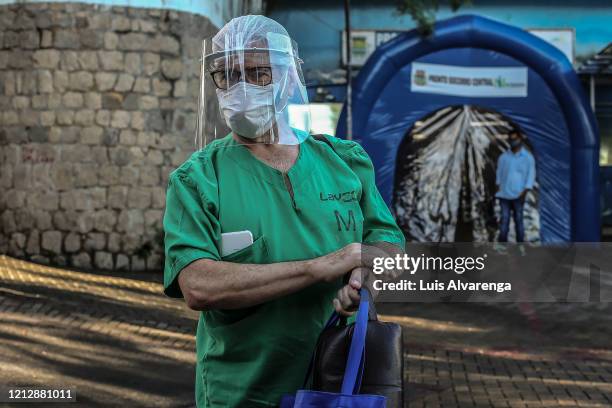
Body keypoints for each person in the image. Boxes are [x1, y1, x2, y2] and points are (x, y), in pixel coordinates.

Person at [162, 15, 405, 408]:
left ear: (290, 78)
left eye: (258, 73)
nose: (240, 88)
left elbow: (388, 244)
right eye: (227, 75)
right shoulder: (197, 179)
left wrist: (366, 278)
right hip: (242, 392)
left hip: (339, 385)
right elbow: (199, 285)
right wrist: (319, 266)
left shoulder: (344, 161)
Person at [495, 130, 536, 242]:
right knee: (504, 220)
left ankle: (520, 245)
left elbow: (530, 176)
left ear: (520, 140)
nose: (513, 142)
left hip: (518, 195)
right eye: (511, 139)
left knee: (519, 220)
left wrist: (524, 192)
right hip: (504, 195)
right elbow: (499, 174)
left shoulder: (527, 158)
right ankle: (502, 244)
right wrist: (498, 187)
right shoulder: (503, 157)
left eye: (515, 139)